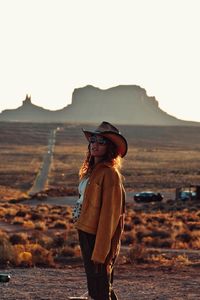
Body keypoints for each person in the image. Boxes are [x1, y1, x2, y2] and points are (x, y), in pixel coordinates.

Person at [72, 121, 128, 300]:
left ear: (110, 147)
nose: (95, 145)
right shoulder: (93, 171)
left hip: (96, 235)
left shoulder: (110, 174)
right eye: (93, 140)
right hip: (85, 230)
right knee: (97, 284)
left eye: (101, 141)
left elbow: (110, 216)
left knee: (99, 284)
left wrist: (102, 249)